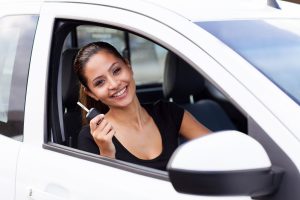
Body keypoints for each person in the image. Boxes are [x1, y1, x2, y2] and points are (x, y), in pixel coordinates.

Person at [73, 41, 210, 170]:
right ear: (92, 94)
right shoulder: (91, 138)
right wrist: (107, 153)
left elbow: (220, 148)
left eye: (116, 71)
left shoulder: (168, 112)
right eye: (100, 83)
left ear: (129, 67)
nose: (114, 84)